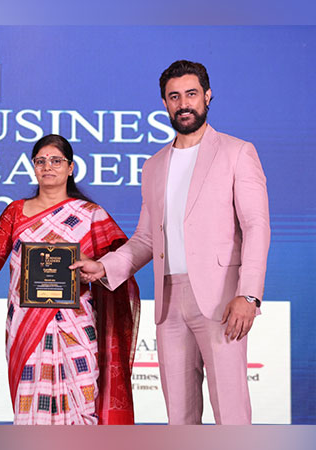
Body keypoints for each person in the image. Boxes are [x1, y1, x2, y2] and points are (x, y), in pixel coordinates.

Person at [71, 60, 270, 425]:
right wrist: (103, 266)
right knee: (178, 415)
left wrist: (249, 295)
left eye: (191, 94)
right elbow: (146, 238)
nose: (184, 104)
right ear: (164, 103)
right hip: (168, 300)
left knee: (232, 411)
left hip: (223, 298)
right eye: (174, 96)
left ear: (208, 96)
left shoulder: (237, 151)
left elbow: (256, 226)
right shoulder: (154, 165)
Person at [0, 134, 140, 425]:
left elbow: (119, 266)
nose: (47, 166)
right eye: (40, 161)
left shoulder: (91, 215)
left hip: (77, 325)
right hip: (25, 328)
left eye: (56, 160)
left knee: (83, 406)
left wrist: (97, 266)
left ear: (71, 167)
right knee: (30, 412)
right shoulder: (14, 212)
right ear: (33, 167)